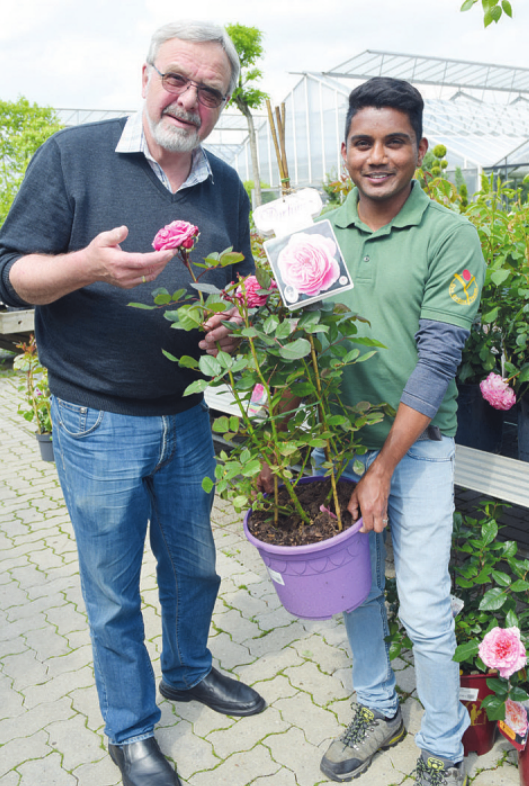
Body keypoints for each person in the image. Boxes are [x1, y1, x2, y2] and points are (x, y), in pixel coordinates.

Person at [0, 21, 265, 786]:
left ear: (222, 106)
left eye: (210, 91)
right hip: (95, 418)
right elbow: (8, 272)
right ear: (145, 76)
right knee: (113, 589)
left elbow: (240, 288)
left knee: (196, 568)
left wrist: (234, 320)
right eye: (177, 79)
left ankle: (187, 670)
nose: (190, 100)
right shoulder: (72, 157)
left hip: (187, 414)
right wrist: (82, 266)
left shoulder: (225, 183)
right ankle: (130, 729)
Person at [260, 77, 485, 786]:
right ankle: (377, 708)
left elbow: (437, 360)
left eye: (394, 141)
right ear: (344, 151)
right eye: (363, 142)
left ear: (420, 149)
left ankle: (444, 747)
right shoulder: (313, 239)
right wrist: (282, 441)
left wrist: (383, 468)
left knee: (420, 606)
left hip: (413, 452)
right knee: (353, 593)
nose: (377, 155)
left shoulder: (449, 235)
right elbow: (302, 354)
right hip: (337, 445)